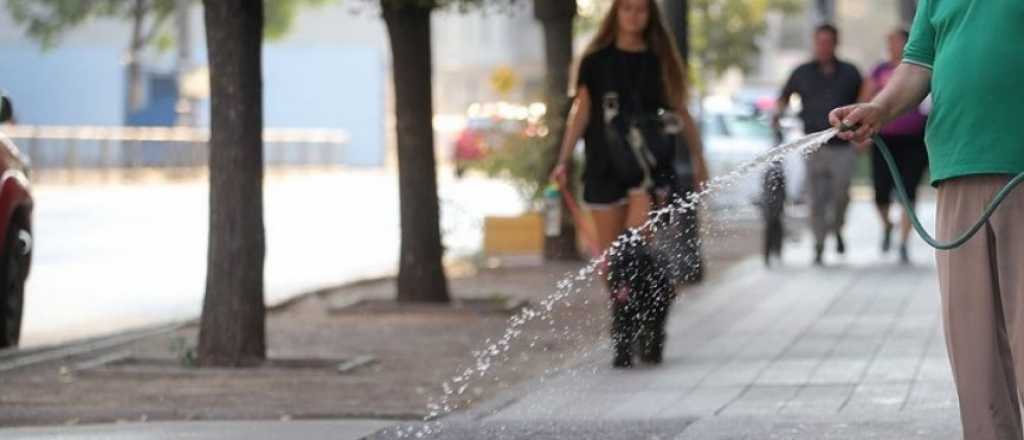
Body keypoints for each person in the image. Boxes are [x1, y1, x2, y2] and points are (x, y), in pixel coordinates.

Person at [830, 1, 1024, 438]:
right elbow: (918, 64)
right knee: (973, 346)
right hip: (956, 163)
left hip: (1020, 165)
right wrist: (878, 109)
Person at [549, 0, 708, 368]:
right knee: (610, 262)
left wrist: (699, 159)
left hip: (645, 172)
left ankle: (642, 326)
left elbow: (681, 110)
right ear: (615, 14)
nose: (634, 16)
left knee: (635, 255)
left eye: (641, 10)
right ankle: (629, 319)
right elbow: (582, 110)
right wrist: (562, 159)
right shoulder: (596, 61)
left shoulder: (660, 60)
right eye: (627, 9)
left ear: (650, 15)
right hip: (603, 168)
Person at [774, 24, 863, 266]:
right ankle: (819, 244)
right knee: (816, 198)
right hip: (813, 145)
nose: (823, 46)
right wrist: (776, 114)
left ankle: (837, 228)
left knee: (841, 195)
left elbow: (864, 98)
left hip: (843, 146)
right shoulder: (802, 72)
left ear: (835, 43)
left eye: (828, 42)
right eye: (819, 41)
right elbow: (783, 98)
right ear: (815, 43)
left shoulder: (850, 72)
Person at [859, 29, 928, 264]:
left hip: (913, 141)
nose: (892, 46)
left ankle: (904, 242)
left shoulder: (923, 68)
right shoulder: (879, 70)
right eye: (889, 42)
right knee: (880, 192)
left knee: (908, 192)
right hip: (884, 140)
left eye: (896, 42)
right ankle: (888, 225)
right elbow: (866, 99)